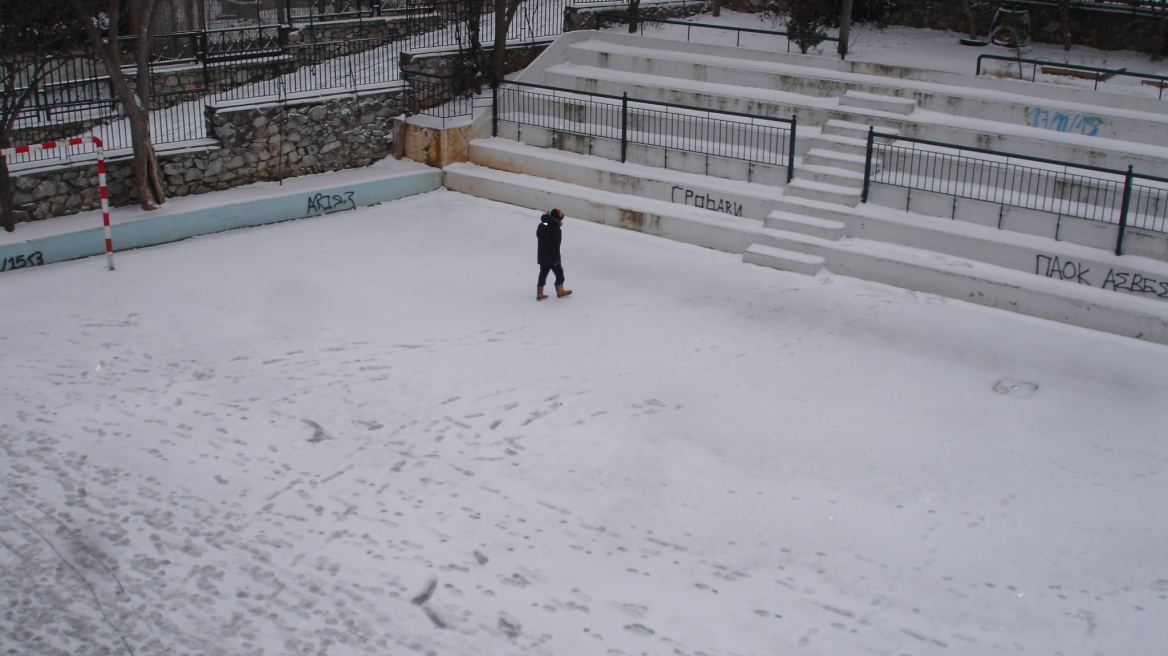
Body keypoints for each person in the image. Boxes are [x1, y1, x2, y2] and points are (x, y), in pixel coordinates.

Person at [536, 208, 572, 300]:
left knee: (543, 273)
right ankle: (560, 290)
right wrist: (556, 258)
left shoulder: (541, 225)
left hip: (542, 254)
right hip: (551, 256)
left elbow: (539, 236)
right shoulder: (556, 229)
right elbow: (555, 246)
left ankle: (540, 293)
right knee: (559, 273)